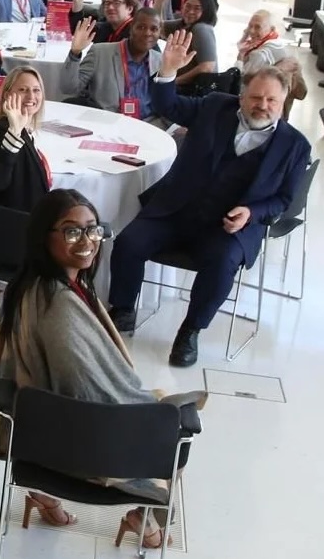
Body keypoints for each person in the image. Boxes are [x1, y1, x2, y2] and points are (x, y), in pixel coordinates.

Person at [0, 189, 182, 542]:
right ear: (45, 237)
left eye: (93, 229)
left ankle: (44, 497)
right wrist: (145, 408)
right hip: (75, 449)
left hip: (36, 436)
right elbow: (86, 390)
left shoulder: (31, 287)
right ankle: (143, 520)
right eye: (72, 231)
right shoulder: (58, 308)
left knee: (157, 405)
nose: (87, 241)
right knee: (176, 425)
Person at [108, 33, 311, 367]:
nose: (263, 105)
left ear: (284, 100)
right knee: (128, 242)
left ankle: (191, 330)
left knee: (221, 265)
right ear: (242, 95)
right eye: (256, 97)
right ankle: (123, 310)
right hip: (177, 210)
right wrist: (168, 72)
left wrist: (251, 212)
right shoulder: (215, 105)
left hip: (228, 227)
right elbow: (168, 105)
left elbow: (285, 200)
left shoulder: (295, 145)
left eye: (272, 101)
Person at [0, 65, 50, 215]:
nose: (31, 97)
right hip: (13, 224)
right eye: (23, 90)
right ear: (7, 95)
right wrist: (14, 131)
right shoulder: (2, 129)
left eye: (36, 90)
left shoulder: (25, 129)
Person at [60, 9, 162, 118]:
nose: (147, 33)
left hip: (148, 125)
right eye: (141, 27)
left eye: (154, 29)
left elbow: (165, 105)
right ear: (131, 28)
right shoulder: (100, 53)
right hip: (106, 123)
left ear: (159, 32)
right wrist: (75, 53)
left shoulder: (161, 61)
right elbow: (68, 88)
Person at [162, 0, 219, 93]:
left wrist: (174, 81)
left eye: (197, 8)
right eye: (188, 6)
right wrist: (159, 1)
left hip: (196, 92)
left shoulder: (201, 29)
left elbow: (207, 67)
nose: (191, 11)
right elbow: (156, 27)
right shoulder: (182, 24)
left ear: (206, 11)